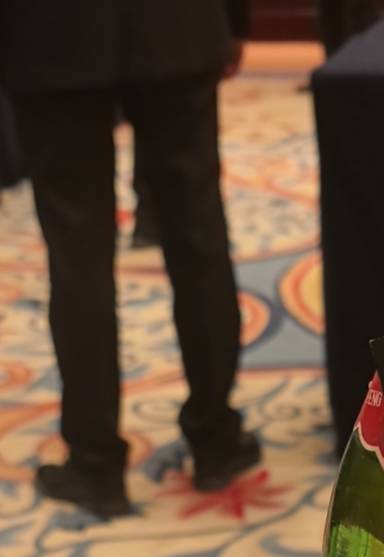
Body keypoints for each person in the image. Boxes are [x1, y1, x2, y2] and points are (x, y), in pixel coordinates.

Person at [0, 0, 259, 518]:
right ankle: (216, 440)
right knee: (198, 236)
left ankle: (95, 462)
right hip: (176, 24)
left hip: (50, 33)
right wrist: (233, 22)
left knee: (77, 255)